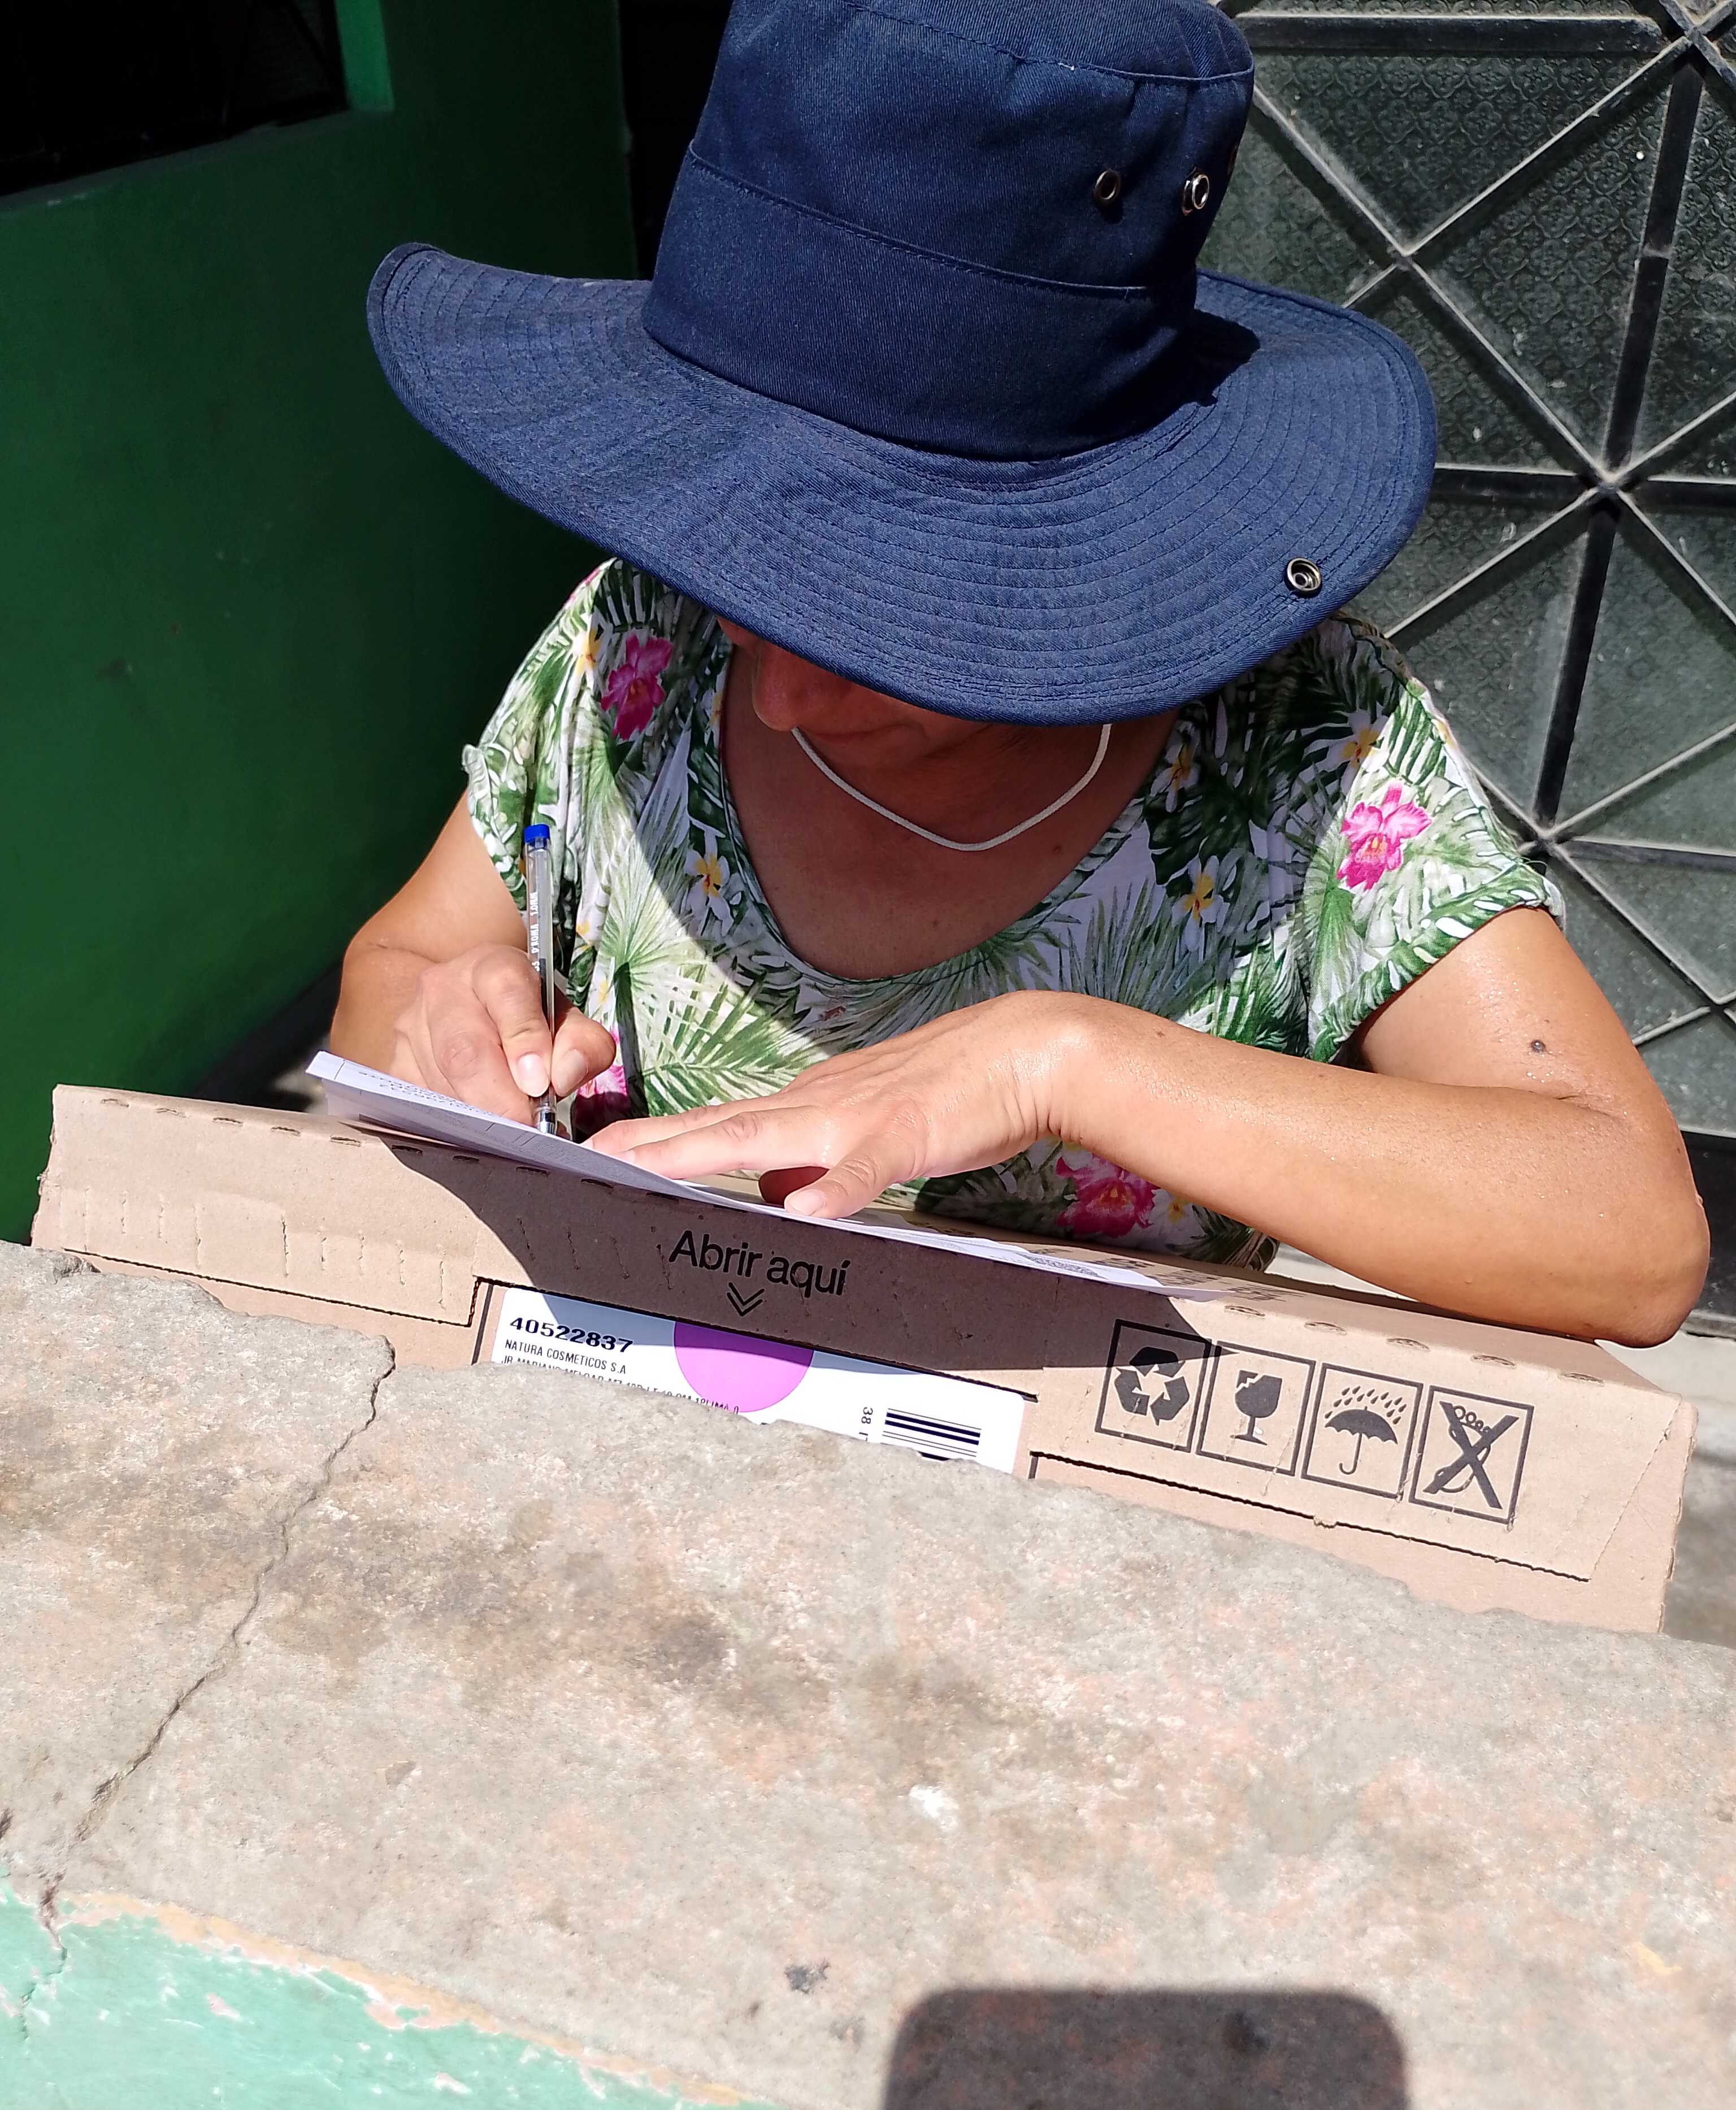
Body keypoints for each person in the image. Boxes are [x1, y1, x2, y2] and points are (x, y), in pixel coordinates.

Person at [331, 0, 1707, 1346]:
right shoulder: (640, 636)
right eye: (749, 587)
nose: (779, 699)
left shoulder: (1303, 746)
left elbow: (1630, 1236)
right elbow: (402, 964)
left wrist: (1064, 1060)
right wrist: (444, 1024)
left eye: (883, 623)